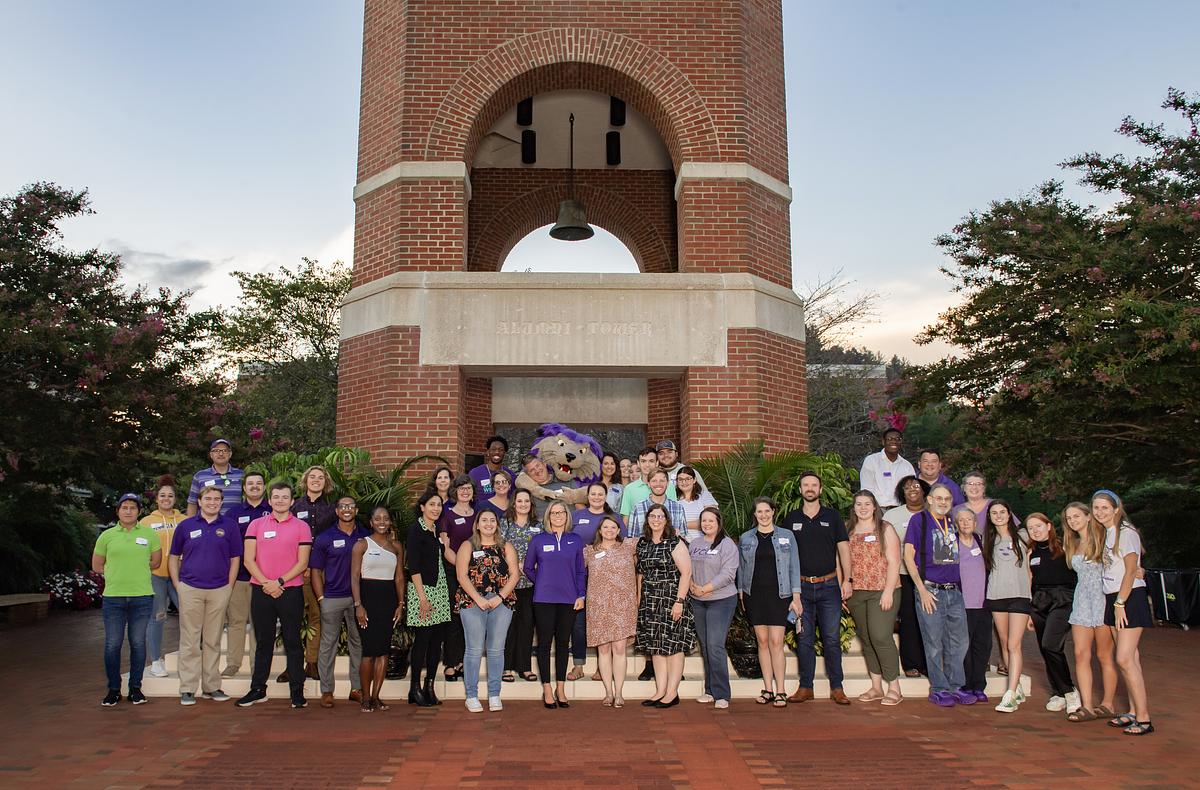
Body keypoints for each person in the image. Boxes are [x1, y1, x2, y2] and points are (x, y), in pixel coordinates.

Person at [237, 481, 312, 709]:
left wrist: (279, 582)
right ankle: (258, 689)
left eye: (285, 497)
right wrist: (267, 583)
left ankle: (297, 693)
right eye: (276, 497)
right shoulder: (256, 525)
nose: (280, 500)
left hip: (290, 591)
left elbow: (303, 562)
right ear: (270, 500)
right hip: (261, 590)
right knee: (263, 642)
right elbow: (248, 560)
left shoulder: (301, 527)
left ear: (291, 501)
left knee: (293, 642)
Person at [780, 471, 852, 705]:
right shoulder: (791, 519)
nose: (810, 488)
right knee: (804, 638)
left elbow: (843, 550)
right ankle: (805, 686)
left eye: (814, 485)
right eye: (805, 485)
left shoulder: (832, 517)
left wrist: (847, 580)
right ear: (800, 490)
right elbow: (784, 555)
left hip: (829, 586)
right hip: (800, 588)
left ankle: (837, 687)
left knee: (831, 638)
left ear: (820, 490)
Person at [170, 485, 241, 705]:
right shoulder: (185, 526)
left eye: (217, 499)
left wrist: (228, 586)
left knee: (213, 640)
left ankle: (211, 686)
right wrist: (178, 585)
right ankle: (188, 688)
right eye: (208, 499)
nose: (213, 502)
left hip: (219, 589)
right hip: (190, 588)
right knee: (190, 640)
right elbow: (173, 557)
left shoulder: (229, 526)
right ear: (199, 502)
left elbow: (235, 558)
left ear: (221, 502)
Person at [903, 483, 973, 707]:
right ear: (930, 499)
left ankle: (956, 685)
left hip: (954, 591)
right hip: (930, 590)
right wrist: (921, 589)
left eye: (947, 499)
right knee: (933, 642)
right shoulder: (919, 521)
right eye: (939, 498)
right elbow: (908, 555)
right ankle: (939, 688)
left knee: (959, 641)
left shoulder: (954, 522)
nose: (943, 502)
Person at [1094, 490, 1154, 735]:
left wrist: (1120, 604)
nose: (1099, 512)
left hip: (1127, 598)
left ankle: (1144, 719)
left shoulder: (1126, 532)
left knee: (1124, 659)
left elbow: (1131, 571)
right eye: (1096, 508)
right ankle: (1132, 711)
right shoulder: (1106, 532)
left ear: (1117, 508)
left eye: (1105, 508)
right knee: (1132, 660)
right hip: (1114, 596)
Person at [93, 493, 160, 706]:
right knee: (113, 644)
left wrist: (135, 570)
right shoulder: (107, 536)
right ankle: (113, 689)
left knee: (138, 643)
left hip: (141, 597)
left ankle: (135, 689)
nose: (129, 511)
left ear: (139, 511)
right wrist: (117, 574)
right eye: (125, 507)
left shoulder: (149, 534)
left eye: (133, 507)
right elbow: (97, 565)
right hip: (114, 598)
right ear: (118, 511)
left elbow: (155, 562)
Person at [737, 497, 802, 708]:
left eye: (767, 511)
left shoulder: (786, 536)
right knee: (762, 642)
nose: (763, 515)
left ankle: (781, 689)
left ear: (773, 511)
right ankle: (768, 689)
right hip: (754, 595)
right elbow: (741, 568)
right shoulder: (746, 538)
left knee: (776, 642)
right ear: (754, 515)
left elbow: (794, 567)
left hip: (780, 595)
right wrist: (741, 593)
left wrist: (796, 596)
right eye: (759, 512)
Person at [455, 509, 519, 713]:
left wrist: (499, 598)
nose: (489, 523)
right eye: (484, 520)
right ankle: (471, 695)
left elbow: (514, 575)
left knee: (496, 650)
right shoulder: (467, 545)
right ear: (477, 524)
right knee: (473, 650)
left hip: (501, 602)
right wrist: (479, 599)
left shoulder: (506, 546)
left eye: (492, 520)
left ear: (497, 524)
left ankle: (494, 694)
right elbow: (462, 576)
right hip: (473, 601)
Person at [524, 500, 586, 708]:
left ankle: (561, 687)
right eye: (554, 513)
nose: (558, 516)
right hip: (543, 599)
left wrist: (581, 595)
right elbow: (528, 568)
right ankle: (547, 688)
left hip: (568, 599)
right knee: (543, 644)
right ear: (548, 516)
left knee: (562, 644)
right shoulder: (538, 540)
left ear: (567, 516)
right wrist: (541, 582)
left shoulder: (575, 540)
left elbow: (580, 571)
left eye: (561, 513)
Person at [310, 496, 370, 708]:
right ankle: (327, 690)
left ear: (356, 509)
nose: (347, 509)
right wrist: (321, 598)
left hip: (358, 600)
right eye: (343, 506)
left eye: (351, 506)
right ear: (336, 511)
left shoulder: (365, 536)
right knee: (328, 645)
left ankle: (356, 688)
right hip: (332, 598)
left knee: (358, 644)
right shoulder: (324, 537)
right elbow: (316, 571)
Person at [845, 491, 903, 705]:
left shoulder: (885, 529)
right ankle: (876, 687)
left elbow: (894, 562)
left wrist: (888, 591)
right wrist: (845, 584)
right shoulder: (848, 529)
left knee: (880, 636)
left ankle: (894, 687)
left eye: (867, 504)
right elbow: (842, 560)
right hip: (858, 592)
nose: (862, 507)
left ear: (875, 506)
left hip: (883, 591)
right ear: (854, 507)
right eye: (858, 504)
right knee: (867, 639)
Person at [1063, 501, 1119, 722]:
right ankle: (1087, 706)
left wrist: (1138, 571)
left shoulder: (1105, 539)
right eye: (1069, 518)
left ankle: (1107, 704)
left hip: (1103, 600)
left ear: (1088, 516)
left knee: (1104, 655)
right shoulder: (1072, 544)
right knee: (1080, 654)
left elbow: (1127, 560)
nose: (1072, 521)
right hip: (1082, 601)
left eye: (1076, 516)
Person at [635, 503, 694, 708]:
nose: (656, 520)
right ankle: (660, 690)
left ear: (666, 520)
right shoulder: (643, 543)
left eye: (660, 516)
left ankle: (672, 692)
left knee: (674, 646)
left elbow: (686, 573)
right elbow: (640, 573)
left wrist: (679, 601)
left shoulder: (675, 543)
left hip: (671, 599)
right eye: (653, 516)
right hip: (650, 600)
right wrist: (638, 600)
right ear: (647, 519)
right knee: (655, 647)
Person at [350, 506, 406, 712]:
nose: (382, 521)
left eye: (386, 518)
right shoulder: (361, 545)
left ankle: (376, 697)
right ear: (371, 522)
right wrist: (358, 605)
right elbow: (355, 577)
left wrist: (400, 604)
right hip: (367, 600)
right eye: (377, 518)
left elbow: (399, 577)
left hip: (388, 601)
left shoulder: (397, 546)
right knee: (369, 652)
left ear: (390, 522)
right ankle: (365, 697)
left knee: (383, 651)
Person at [568, 482, 625, 680]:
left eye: (601, 494)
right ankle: (578, 665)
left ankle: (604, 668)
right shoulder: (576, 516)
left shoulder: (613, 518)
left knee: (606, 622)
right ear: (588, 496)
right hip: (579, 574)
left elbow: (623, 545)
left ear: (606, 496)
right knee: (578, 622)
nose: (597, 497)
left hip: (607, 579)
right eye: (593, 494)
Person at [1026, 512, 1080, 714]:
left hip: (1063, 599)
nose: (1035, 530)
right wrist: (1030, 612)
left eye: (1038, 526)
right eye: (1031, 528)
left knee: (1051, 643)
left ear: (1048, 526)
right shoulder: (1031, 553)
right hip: (1040, 602)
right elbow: (1030, 580)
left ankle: (1070, 690)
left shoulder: (1065, 546)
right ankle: (1058, 692)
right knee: (1044, 648)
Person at [289, 465, 337, 683]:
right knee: (292, 617)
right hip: (293, 571)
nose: (316, 480)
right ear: (305, 480)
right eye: (312, 477)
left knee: (316, 617)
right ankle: (292, 666)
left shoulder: (332, 509)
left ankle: (312, 662)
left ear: (325, 482)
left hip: (319, 571)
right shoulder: (294, 505)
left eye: (320, 477)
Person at [584, 515, 638, 707]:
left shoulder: (629, 547)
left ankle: (619, 693)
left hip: (623, 605)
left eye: (613, 527)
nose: (609, 530)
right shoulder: (589, 551)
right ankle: (608, 692)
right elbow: (573, 571)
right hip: (598, 606)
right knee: (604, 649)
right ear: (600, 530)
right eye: (605, 527)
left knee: (619, 648)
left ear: (618, 530)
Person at [688, 507, 739, 709]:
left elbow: (728, 574)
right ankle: (710, 690)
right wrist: (693, 585)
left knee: (715, 645)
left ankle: (722, 694)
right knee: (706, 645)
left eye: (711, 521)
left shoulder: (727, 545)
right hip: (698, 600)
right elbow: (687, 568)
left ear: (719, 523)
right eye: (704, 521)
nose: (707, 524)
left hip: (721, 600)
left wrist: (706, 588)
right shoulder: (695, 544)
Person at [221, 472, 271, 676]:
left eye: (259, 483)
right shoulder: (233, 513)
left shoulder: (272, 510)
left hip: (264, 577)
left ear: (264, 487)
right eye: (250, 483)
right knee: (236, 621)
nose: (254, 487)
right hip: (240, 575)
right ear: (244, 488)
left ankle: (256, 665)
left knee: (259, 622)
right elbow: (227, 544)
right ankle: (233, 663)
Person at [985, 499, 1032, 713]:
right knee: (1004, 642)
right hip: (996, 595)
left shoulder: (1023, 536)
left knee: (1014, 644)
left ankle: (1010, 694)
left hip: (1020, 596)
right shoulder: (987, 539)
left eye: (1002, 512)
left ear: (1009, 513)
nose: (998, 516)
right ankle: (1017, 687)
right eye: (994, 513)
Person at [406, 491, 452, 707]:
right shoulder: (417, 530)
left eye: (439, 505)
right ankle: (414, 688)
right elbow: (413, 566)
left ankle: (429, 686)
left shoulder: (435, 531)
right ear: (422, 506)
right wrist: (422, 598)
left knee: (436, 642)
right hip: (422, 590)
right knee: (422, 641)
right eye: (431, 504)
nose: (436, 508)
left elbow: (445, 557)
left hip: (440, 589)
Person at [884, 475, 930, 677]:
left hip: (931, 576)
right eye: (907, 487)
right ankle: (911, 663)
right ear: (901, 493)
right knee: (909, 619)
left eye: (917, 486)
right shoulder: (892, 516)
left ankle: (930, 663)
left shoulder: (934, 513)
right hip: (903, 575)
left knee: (931, 620)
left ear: (925, 491)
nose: (912, 489)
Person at [139, 477, 183, 678]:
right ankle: (156, 661)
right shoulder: (146, 522)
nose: (166, 499)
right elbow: (139, 550)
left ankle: (190, 655)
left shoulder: (184, 520)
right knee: (157, 618)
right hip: (156, 576)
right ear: (156, 498)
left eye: (170, 495)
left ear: (175, 499)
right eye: (162, 495)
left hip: (180, 576)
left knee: (190, 614)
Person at [437, 474, 477, 683]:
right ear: (455, 492)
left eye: (468, 488)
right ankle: (451, 663)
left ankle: (464, 660)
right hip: (454, 571)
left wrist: (473, 569)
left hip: (476, 573)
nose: (465, 492)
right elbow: (446, 548)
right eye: (461, 488)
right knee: (455, 617)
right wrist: (462, 568)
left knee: (470, 619)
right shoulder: (448, 516)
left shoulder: (478, 514)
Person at [500, 490, 540, 683]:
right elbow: (496, 548)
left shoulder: (538, 526)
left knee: (526, 625)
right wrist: (515, 565)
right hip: (508, 583)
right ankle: (506, 667)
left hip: (531, 583)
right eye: (519, 501)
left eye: (526, 501)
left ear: (531, 504)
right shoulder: (505, 524)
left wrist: (531, 565)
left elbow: (543, 551)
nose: (523, 504)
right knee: (508, 625)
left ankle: (524, 667)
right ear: (513, 504)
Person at [954, 504, 991, 703]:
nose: (966, 523)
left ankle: (979, 685)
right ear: (956, 524)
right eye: (961, 520)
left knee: (982, 646)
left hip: (982, 604)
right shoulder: (952, 543)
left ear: (976, 523)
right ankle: (966, 685)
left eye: (969, 520)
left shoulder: (981, 542)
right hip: (961, 604)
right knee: (963, 648)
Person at [186, 438, 244, 516]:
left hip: (235, 524)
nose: (221, 454)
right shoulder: (200, 476)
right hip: (206, 525)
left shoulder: (241, 475)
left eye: (224, 451)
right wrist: (190, 525)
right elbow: (192, 504)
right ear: (211, 455)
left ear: (230, 454)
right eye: (216, 451)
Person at [859, 429, 915, 508]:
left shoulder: (907, 466)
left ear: (901, 442)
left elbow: (911, 492)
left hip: (900, 510)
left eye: (897, 439)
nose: (894, 441)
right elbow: (866, 490)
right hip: (877, 510)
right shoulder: (872, 461)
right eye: (889, 439)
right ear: (883, 442)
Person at [627, 469, 686, 539]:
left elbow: (683, 537)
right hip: (645, 549)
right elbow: (632, 540)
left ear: (667, 483)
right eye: (654, 481)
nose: (658, 484)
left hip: (672, 549)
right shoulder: (637, 508)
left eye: (662, 481)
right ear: (648, 484)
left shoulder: (678, 508)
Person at [620, 447, 673, 518]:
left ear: (657, 463)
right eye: (643, 461)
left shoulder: (668, 486)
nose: (647, 465)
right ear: (638, 463)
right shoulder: (629, 489)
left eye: (651, 461)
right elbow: (626, 518)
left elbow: (673, 514)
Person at [674, 465, 718, 543]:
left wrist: (682, 525)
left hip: (705, 543)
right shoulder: (674, 499)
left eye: (688, 478)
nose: (684, 482)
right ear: (677, 482)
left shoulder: (705, 495)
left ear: (694, 480)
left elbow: (712, 521)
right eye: (680, 479)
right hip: (682, 544)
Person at [521, 455, 569, 521]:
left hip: (571, 526)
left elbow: (580, 506)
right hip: (543, 528)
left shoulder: (565, 480)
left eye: (537, 466)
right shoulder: (527, 492)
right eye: (532, 470)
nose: (537, 470)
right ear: (527, 475)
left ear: (544, 464)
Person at [468, 435, 516, 501]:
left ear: (505, 453)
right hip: (481, 510)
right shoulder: (475, 473)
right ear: (488, 452)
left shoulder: (511, 475)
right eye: (493, 449)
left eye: (501, 450)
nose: (497, 452)